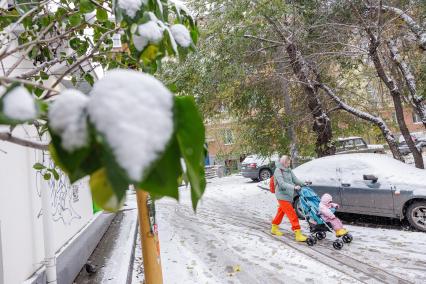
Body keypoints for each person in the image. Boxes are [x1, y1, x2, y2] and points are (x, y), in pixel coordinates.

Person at [271, 155, 308, 242]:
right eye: (287, 163)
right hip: (281, 195)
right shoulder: (278, 170)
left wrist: (304, 183)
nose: (289, 164)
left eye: (289, 163)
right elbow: (282, 183)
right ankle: (298, 234)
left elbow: (296, 180)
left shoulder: (289, 170)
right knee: (292, 214)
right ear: (283, 162)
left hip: (288, 194)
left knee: (280, 212)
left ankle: (274, 228)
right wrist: (294, 187)